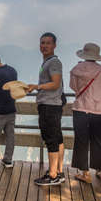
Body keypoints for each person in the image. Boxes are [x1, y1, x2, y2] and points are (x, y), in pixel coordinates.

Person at [69, 43, 101, 183]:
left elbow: (73, 87)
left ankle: (85, 174)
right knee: (99, 140)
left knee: (81, 141)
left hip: (81, 108)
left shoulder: (76, 69)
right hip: (98, 109)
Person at [28, 32, 65, 186]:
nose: (44, 46)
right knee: (57, 138)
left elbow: (55, 84)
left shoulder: (54, 63)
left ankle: (53, 175)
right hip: (52, 105)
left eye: (48, 43)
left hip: (50, 105)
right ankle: (58, 171)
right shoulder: (48, 62)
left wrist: (37, 87)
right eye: (42, 43)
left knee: (51, 139)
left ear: (54, 45)